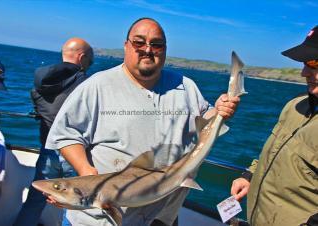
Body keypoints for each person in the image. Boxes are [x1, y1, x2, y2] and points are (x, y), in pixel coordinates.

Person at [45, 18, 240, 226]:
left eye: (156, 44)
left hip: (163, 216)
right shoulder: (97, 86)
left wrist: (219, 110)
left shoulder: (186, 86)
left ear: (164, 50)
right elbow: (66, 134)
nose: (147, 49)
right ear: (126, 45)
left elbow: (203, 120)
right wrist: (85, 172)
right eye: (139, 42)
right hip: (102, 218)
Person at [231, 25, 318, 226]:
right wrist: (250, 175)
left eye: (314, 63)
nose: (304, 72)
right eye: (305, 63)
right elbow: (274, 152)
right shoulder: (295, 105)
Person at [13, 38, 94, 226]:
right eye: (90, 62)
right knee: (74, 207)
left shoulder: (39, 84)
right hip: (76, 154)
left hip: (48, 150)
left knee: (35, 201)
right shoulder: (88, 85)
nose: (89, 66)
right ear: (82, 58)